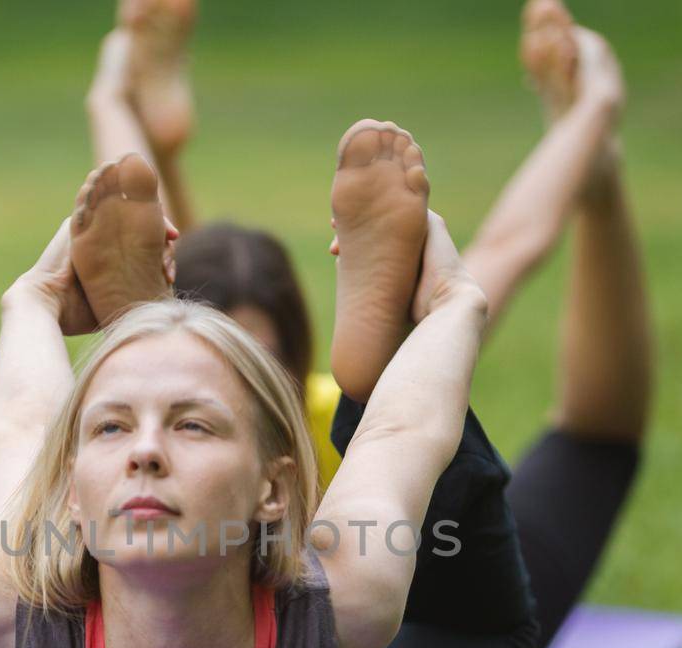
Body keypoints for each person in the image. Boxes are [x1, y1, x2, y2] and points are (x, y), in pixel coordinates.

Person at [0, 0, 653, 648]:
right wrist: (30, 299)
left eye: (192, 422)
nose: (146, 450)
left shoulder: (343, 590)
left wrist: (447, 311)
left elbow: (412, 431)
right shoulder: (16, 588)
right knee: (376, 513)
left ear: (277, 472)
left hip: (344, 608)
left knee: (417, 547)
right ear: (71, 487)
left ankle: (329, 372)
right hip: (296, 568)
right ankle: (184, 349)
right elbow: (22, 429)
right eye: (113, 425)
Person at [81, 0, 647, 496]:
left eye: (262, 373)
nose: (250, 396)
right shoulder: (316, 421)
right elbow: (506, 248)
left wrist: (109, 98)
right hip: (384, 566)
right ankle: (595, 173)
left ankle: (594, 173)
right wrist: (595, 105)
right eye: (231, 375)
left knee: (164, 316)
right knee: (589, 439)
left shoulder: (288, 420)